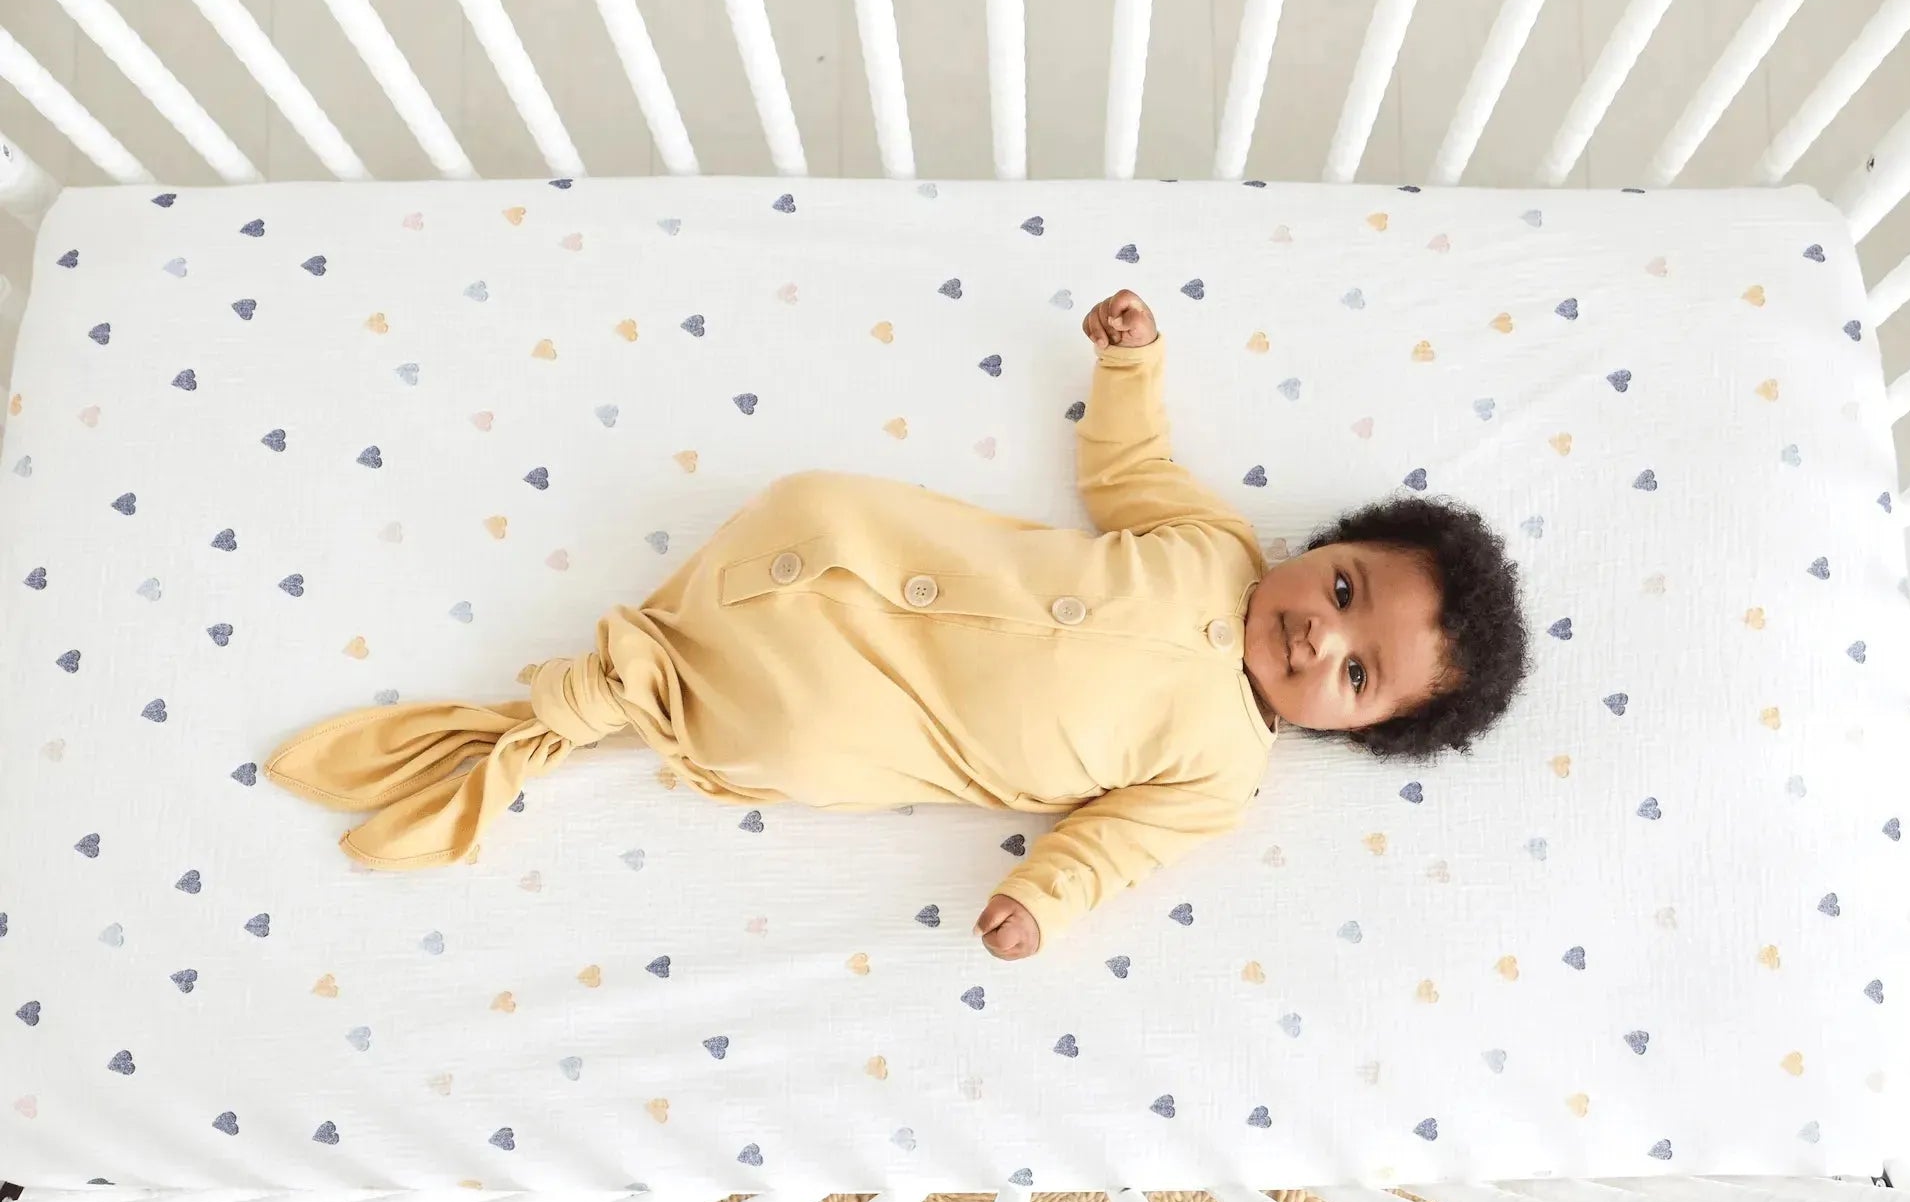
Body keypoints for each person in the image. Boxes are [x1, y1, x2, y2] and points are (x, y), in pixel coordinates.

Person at [268, 289, 1530, 959]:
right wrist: (1131, 366)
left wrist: (1043, 902)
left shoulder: (1220, 773)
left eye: (1357, 676)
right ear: (1328, 547)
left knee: (793, 729)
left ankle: (597, 703)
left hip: (860, 713)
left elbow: (1113, 850)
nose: (1320, 637)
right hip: (837, 552)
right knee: (816, 500)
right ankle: (638, 664)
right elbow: (1127, 463)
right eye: (1348, 592)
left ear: (1349, 728)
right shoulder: (1209, 543)